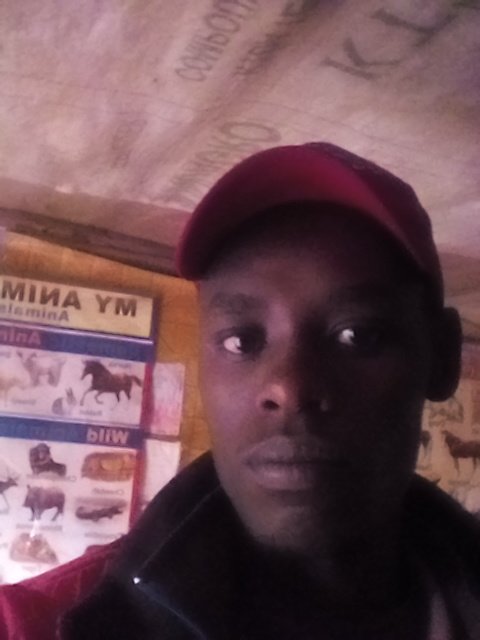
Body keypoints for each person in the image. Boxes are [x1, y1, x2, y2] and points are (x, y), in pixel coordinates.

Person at [1, 142, 479, 639]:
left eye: (358, 335)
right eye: (241, 341)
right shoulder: (37, 625)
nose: (289, 387)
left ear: (443, 356)